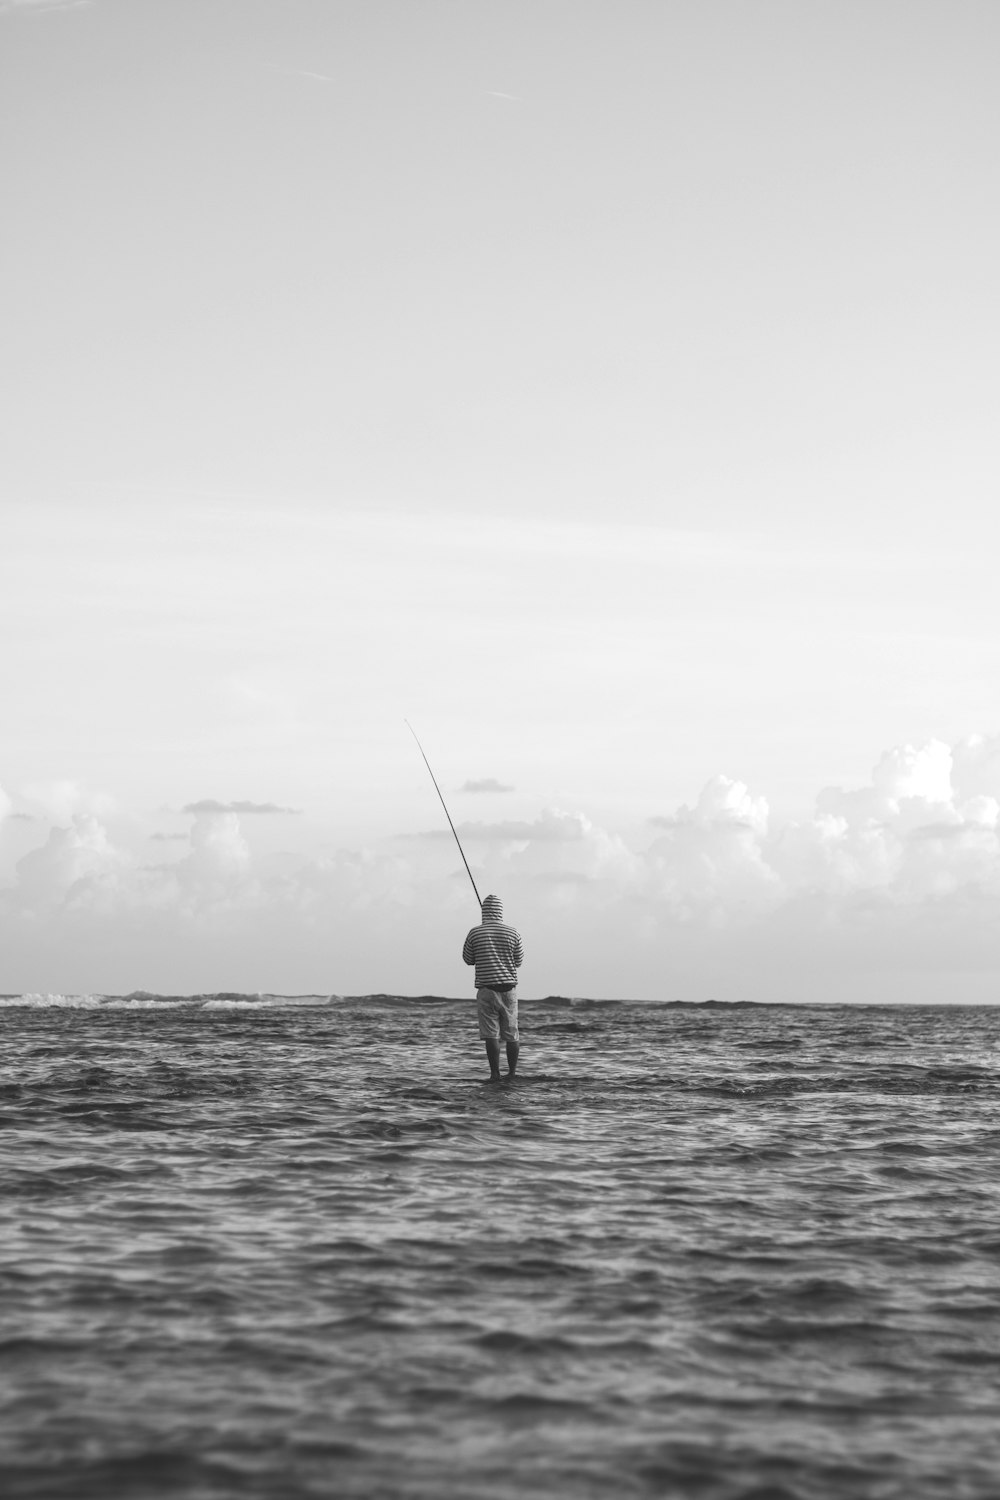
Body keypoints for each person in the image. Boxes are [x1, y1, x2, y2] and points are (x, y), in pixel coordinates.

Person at [462, 894, 523, 1082]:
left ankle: (494, 1074)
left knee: (491, 1034)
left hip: (487, 989)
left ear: (484, 911)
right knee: (512, 1033)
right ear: (500, 911)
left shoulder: (475, 932)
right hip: (509, 989)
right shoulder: (513, 932)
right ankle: (512, 1073)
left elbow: (468, 959)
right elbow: (519, 961)